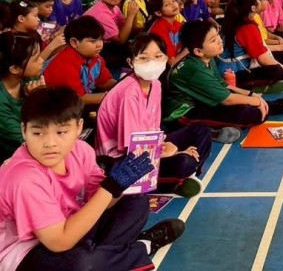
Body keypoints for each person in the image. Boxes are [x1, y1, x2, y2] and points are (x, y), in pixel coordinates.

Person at [0, 86, 185, 270]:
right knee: (82, 264)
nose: (50, 143)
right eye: (38, 133)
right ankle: (140, 248)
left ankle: (107, 257)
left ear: (78, 127)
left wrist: (123, 182)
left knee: (136, 201)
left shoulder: (81, 150)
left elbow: (103, 201)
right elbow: (59, 242)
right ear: (24, 130)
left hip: (70, 227)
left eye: (61, 132)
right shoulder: (24, 177)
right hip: (27, 252)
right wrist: (110, 186)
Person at [96, 34, 212, 198]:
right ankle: (181, 176)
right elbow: (132, 149)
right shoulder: (128, 93)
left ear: (166, 58)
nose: (152, 63)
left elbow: (154, 130)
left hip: (149, 148)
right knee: (183, 162)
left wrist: (164, 145)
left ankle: (184, 175)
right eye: (144, 58)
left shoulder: (155, 85)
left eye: (158, 56)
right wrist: (170, 153)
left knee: (201, 131)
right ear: (131, 62)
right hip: (122, 161)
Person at [164, 20, 283, 134]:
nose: (220, 41)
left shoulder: (207, 58)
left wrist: (251, 95)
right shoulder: (195, 70)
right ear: (198, 51)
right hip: (184, 113)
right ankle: (211, 132)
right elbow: (227, 100)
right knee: (251, 114)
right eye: (213, 40)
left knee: (247, 103)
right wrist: (257, 102)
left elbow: (223, 84)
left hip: (204, 100)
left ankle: (266, 107)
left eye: (218, 35)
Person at [219, 0, 283, 93]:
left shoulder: (236, 20)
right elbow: (263, 59)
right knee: (278, 72)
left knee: (279, 58)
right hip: (234, 73)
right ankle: (249, 87)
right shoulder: (247, 28)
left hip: (225, 68)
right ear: (253, 8)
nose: (261, 0)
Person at [43, 16, 116, 109]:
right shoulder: (65, 63)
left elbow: (104, 82)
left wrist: (122, 85)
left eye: (101, 39)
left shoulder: (96, 59)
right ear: (74, 42)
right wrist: (112, 96)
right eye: (93, 41)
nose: (99, 45)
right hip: (57, 108)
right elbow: (77, 98)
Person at [0, 32, 45, 163]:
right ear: (15, 68)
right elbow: (27, 140)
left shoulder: (29, 79)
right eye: (36, 59)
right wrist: (37, 99)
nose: (41, 61)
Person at [147, 0, 187, 67]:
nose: (173, 5)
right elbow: (172, 62)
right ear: (158, 12)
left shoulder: (177, 24)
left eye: (173, 1)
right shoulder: (159, 29)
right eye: (167, 5)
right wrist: (189, 49)